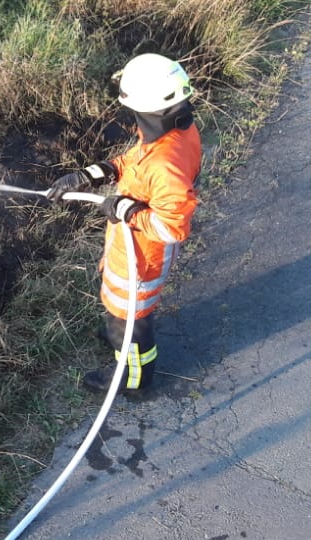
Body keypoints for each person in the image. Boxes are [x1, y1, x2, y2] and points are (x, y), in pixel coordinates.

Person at [47, 53, 202, 397]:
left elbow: (172, 228)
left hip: (142, 256)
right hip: (132, 243)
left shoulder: (166, 164)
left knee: (130, 317)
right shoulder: (174, 133)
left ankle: (132, 378)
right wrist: (90, 175)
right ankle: (120, 329)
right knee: (123, 312)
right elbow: (135, 161)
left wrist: (128, 211)